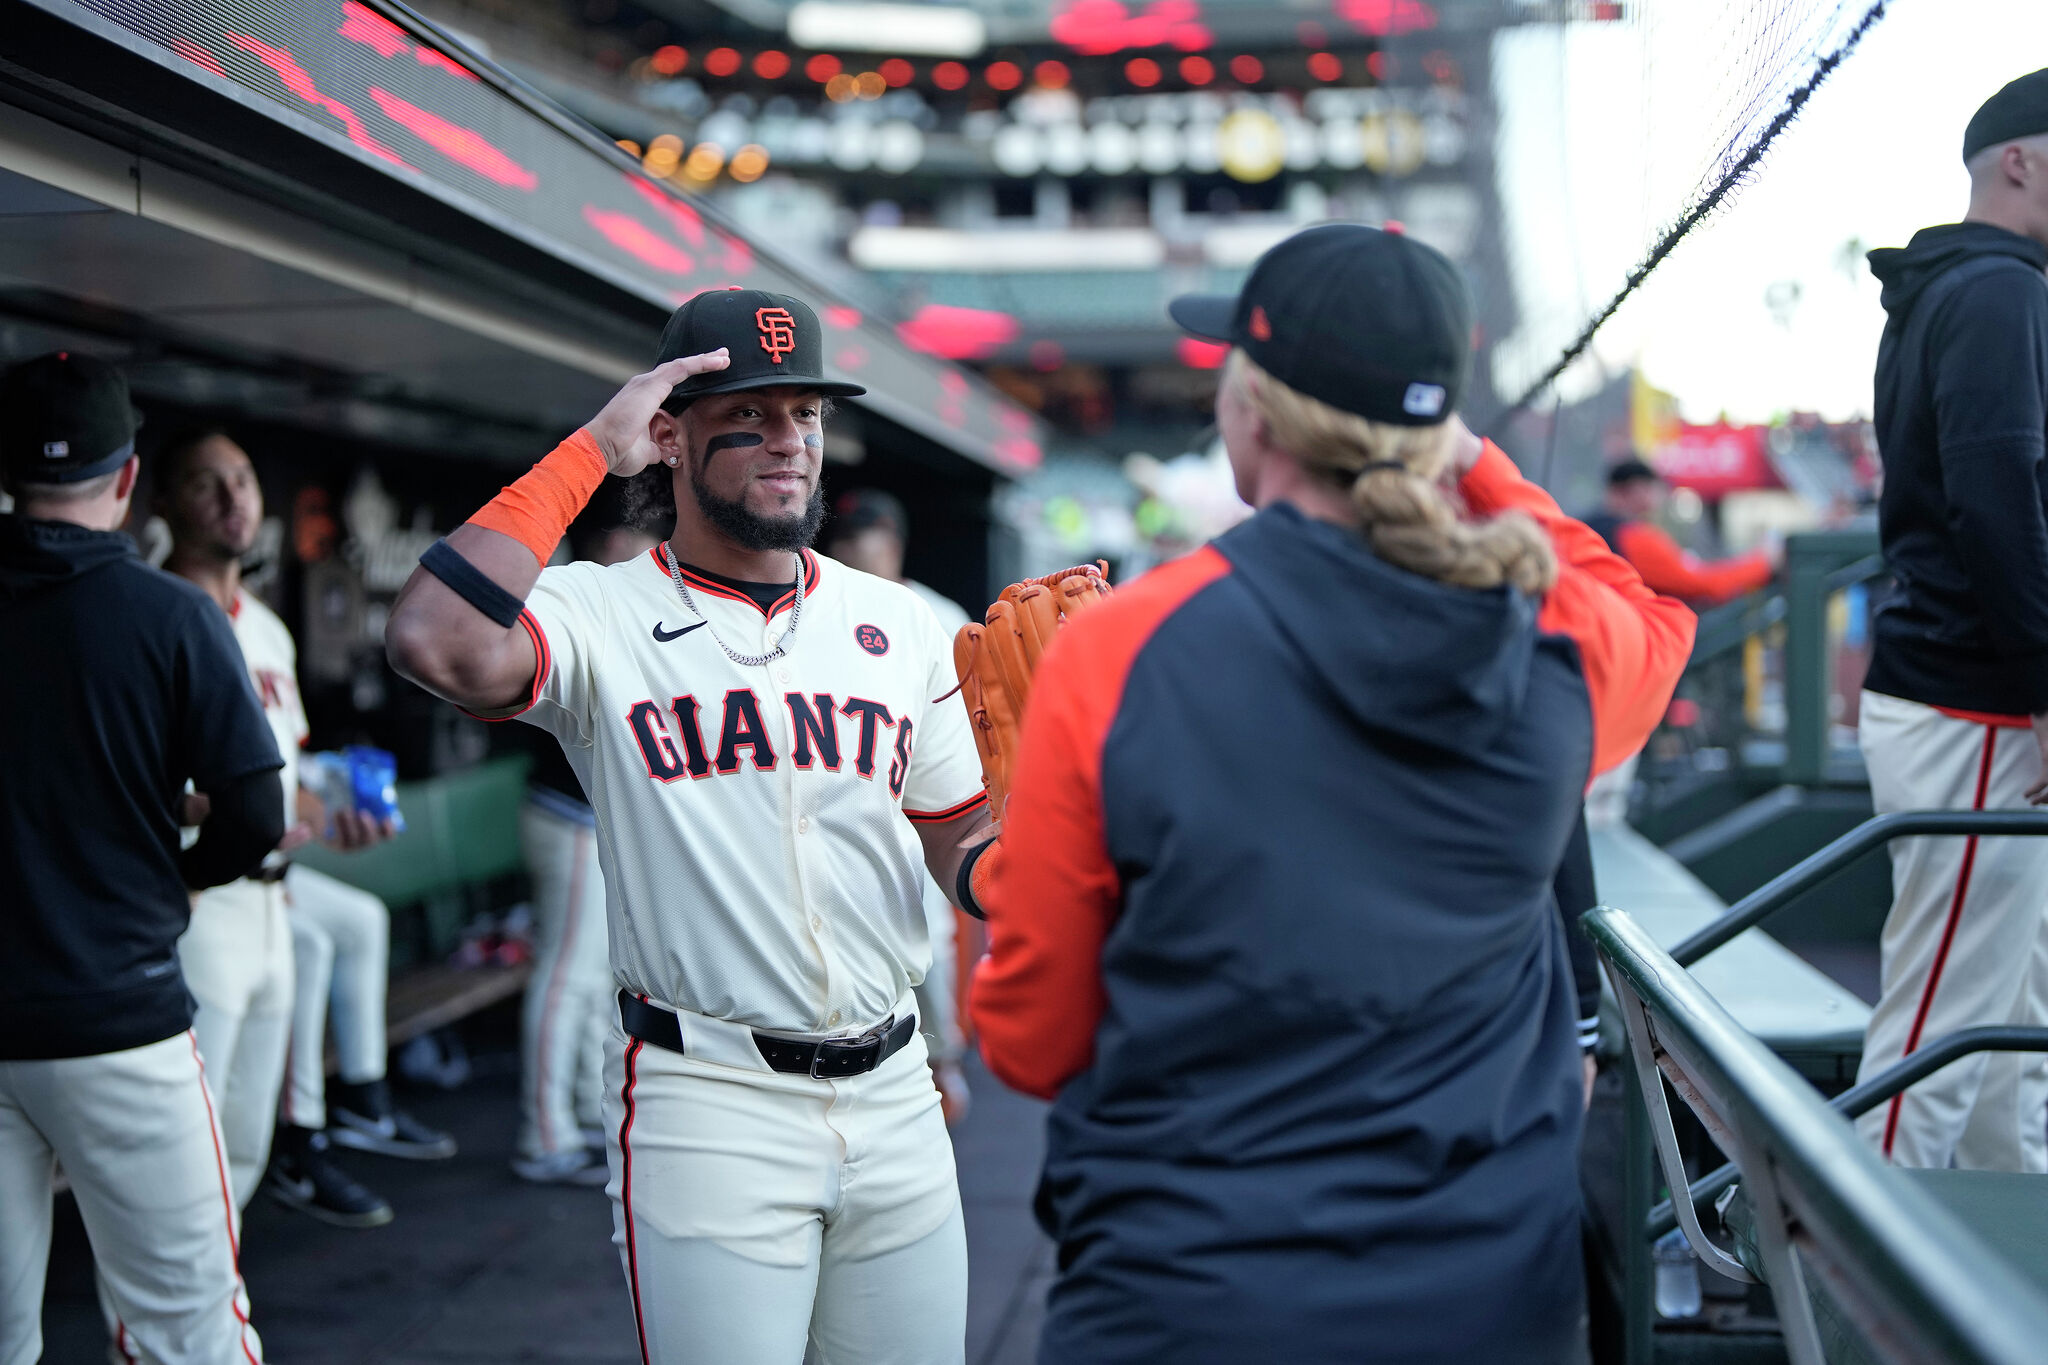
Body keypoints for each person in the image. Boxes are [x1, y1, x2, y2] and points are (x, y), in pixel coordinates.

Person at [961, 225, 1695, 1363]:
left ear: (1251, 409)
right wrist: (1460, 460)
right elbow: (1649, 613)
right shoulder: (1554, 638)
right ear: (1438, 429)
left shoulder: (1121, 651)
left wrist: (1019, 852)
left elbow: (1031, 1042)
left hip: (1188, 1301)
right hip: (1487, 1304)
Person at [384, 288, 990, 1364]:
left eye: (803, 415)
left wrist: (1053, 850)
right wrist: (589, 451)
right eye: (747, 417)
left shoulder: (898, 623)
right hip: (710, 1101)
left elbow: (958, 843)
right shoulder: (597, 612)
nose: (786, 441)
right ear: (668, 436)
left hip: (896, 1094)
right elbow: (435, 639)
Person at [0, 353, 282, 1363]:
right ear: (128, 481)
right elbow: (255, 812)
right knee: (186, 1331)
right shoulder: (172, 615)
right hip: (117, 1021)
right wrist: (184, 875)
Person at [154, 428, 451, 1233]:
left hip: (272, 903)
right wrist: (254, 811)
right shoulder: (149, 618)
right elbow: (138, 784)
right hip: (195, 899)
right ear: (159, 501)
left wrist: (320, 808)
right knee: (185, 1151)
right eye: (205, 482)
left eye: (245, 480)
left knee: (245, 1143)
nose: (233, 499)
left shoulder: (270, 630)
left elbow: (292, 767)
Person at [1853, 68, 2048, 1173]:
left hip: (1977, 700)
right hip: (1975, 703)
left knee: (2003, 1040)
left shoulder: (1979, 284)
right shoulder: (1994, 287)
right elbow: (1994, 494)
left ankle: (2000, 1298)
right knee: (1935, 1039)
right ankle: (1839, 1319)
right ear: (2016, 160)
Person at [822, 488, 974, 1123]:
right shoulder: (816, 611)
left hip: (928, 805)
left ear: (895, 544)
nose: (860, 551)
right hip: (851, 806)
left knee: (930, 943)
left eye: (871, 540)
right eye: (850, 541)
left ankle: (946, 1064)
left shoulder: (935, 614)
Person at [513, 522, 658, 1186]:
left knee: (592, 977)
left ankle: (572, 1116)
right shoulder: (565, 603)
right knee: (567, 973)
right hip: (564, 817)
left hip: (588, 820)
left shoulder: (632, 607)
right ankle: (543, 1134)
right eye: (626, 544)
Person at [1585, 459, 1776, 607]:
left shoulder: (1588, 528)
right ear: (1638, 490)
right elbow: (1704, 585)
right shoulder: (1632, 536)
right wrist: (1764, 562)